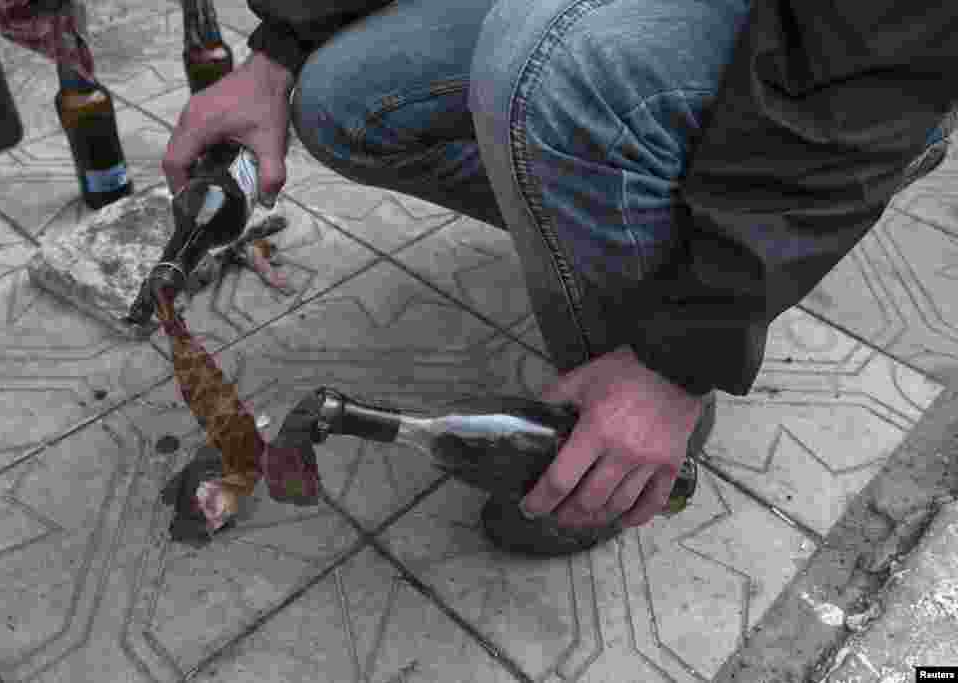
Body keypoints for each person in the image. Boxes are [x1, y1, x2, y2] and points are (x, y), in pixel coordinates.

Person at [162, 0, 956, 557]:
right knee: (341, 97)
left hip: (860, 60)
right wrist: (278, 52)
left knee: (552, 72)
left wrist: (681, 353)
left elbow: (884, 47)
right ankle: (630, 207)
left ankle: (621, 441)